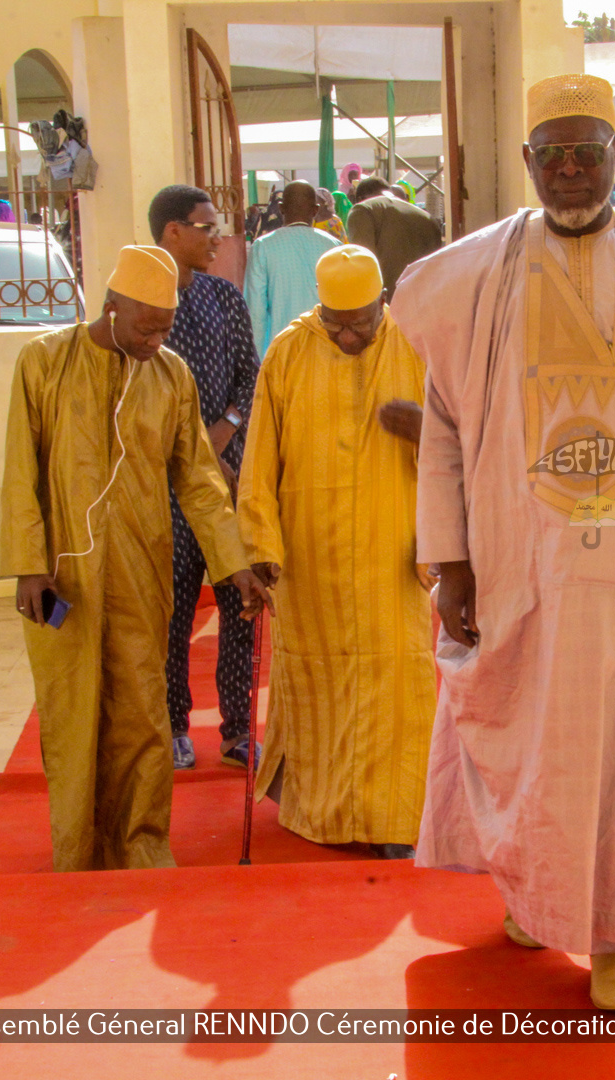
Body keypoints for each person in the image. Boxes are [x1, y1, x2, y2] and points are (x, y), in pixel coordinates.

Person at [392, 73, 615, 1010]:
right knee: (529, 737)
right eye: (549, 155)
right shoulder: (473, 277)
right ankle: (537, 895)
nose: (567, 171)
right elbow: (444, 430)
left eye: (584, 152)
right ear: (525, 163)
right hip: (523, 562)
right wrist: (454, 558)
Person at [0, 245, 271, 872]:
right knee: (74, 710)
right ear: (111, 306)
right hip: (65, 573)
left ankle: (142, 844)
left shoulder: (172, 374)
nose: (154, 339)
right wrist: (29, 564)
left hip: (143, 567)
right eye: (144, 325)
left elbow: (199, 481)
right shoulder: (44, 361)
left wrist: (234, 564)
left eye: (165, 327)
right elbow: (21, 471)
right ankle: (77, 848)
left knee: (143, 710)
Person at [237, 245, 437, 859]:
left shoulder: (418, 345)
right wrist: (259, 544)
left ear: (383, 304)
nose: (348, 336)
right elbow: (259, 459)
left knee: (395, 679)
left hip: (392, 549)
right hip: (310, 552)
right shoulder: (290, 351)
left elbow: (469, 442)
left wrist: (428, 428)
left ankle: (390, 818)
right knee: (317, 679)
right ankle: (320, 811)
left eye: (361, 323)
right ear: (318, 309)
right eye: (335, 323)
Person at [149, 185, 261, 771]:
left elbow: (251, 377)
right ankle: (172, 724)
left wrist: (222, 432)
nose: (217, 236)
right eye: (206, 226)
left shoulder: (224, 295)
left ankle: (239, 729)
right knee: (172, 609)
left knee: (240, 602)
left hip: (228, 478)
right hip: (168, 488)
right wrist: (189, 452)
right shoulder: (141, 301)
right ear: (172, 231)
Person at [244, 180, 341, 358]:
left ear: (281, 208)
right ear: (315, 210)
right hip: (326, 352)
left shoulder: (263, 246)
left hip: (281, 352)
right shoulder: (333, 245)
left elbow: (255, 311)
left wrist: (256, 360)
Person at [346, 176, 443, 299]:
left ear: (359, 198)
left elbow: (362, 264)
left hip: (386, 305)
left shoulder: (363, 209)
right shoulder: (426, 217)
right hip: (425, 302)